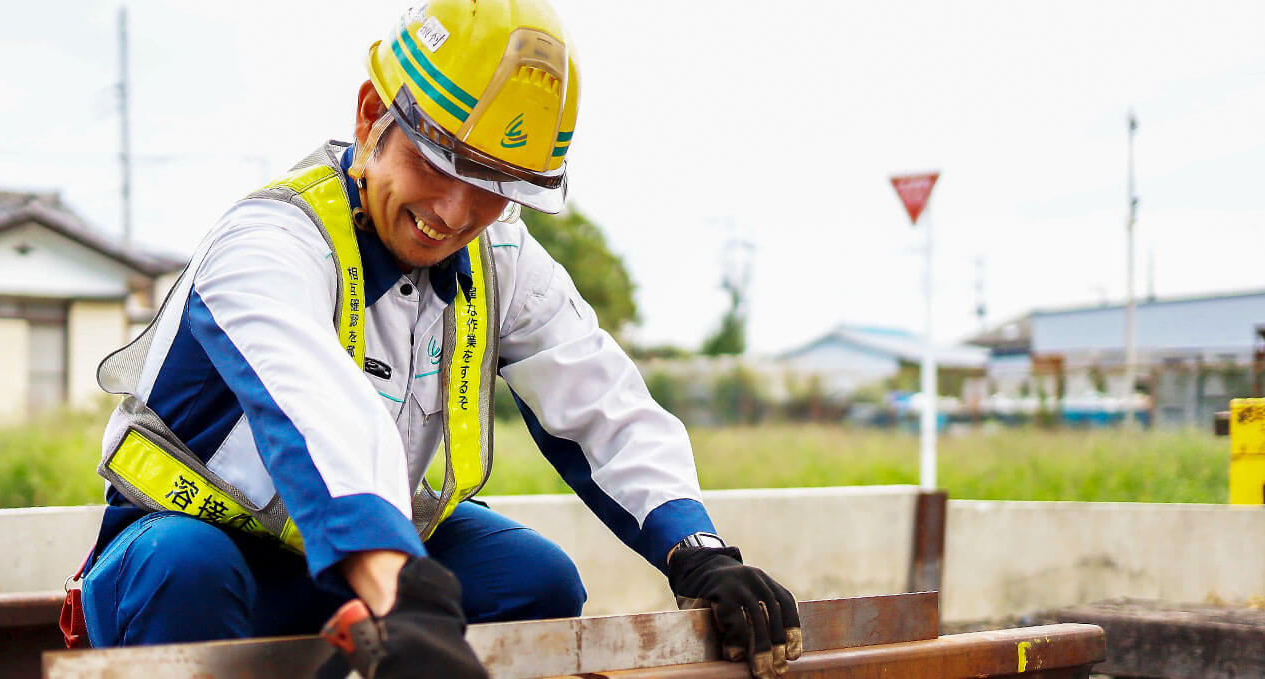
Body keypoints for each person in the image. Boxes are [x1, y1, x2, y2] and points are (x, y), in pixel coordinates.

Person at [66, 2, 802, 677]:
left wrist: (698, 553)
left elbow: (600, 398)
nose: (454, 211)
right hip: (195, 560)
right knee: (185, 565)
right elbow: (316, 409)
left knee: (535, 577)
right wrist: (400, 588)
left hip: (364, 563)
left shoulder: (503, 260)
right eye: (437, 160)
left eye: (493, 184)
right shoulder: (266, 244)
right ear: (370, 118)